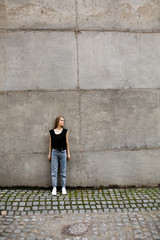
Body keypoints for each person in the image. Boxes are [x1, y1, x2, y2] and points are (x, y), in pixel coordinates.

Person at [48, 116, 71, 195]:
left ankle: (63, 187)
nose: (63, 122)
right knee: (54, 172)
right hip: (54, 152)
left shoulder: (65, 131)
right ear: (57, 121)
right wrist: (49, 154)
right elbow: (50, 144)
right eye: (61, 120)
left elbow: (67, 143)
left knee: (63, 171)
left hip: (63, 152)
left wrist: (68, 153)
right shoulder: (51, 132)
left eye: (63, 120)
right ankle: (54, 187)